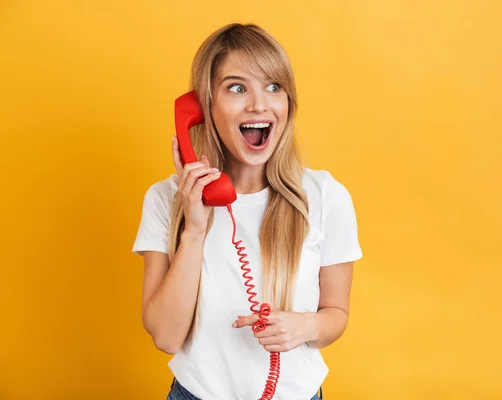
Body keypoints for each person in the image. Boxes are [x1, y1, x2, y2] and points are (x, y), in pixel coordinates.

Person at [131, 23, 362, 400]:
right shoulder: (165, 199)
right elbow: (166, 336)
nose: (259, 104)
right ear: (203, 106)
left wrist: (304, 327)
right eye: (237, 88)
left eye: (274, 87)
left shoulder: (325, 196)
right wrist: (194, 228)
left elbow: (336, 313)